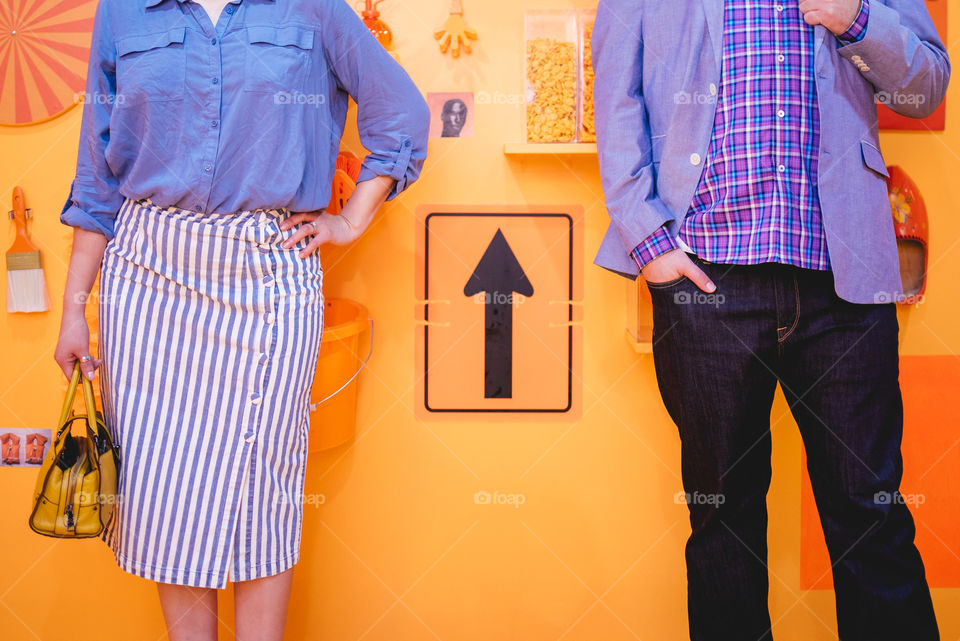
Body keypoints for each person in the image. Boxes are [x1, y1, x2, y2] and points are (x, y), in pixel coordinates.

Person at [53, 0, 429, 639]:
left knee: (264, 486)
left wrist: (350, 218)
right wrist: (73, 310)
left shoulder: (313, 9)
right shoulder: (122, 12)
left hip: (268, 276)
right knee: (163, 489)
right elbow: (98, 173)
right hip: (148, 278)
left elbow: (403, 116)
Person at [591, 1, 949, 640]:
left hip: (844, 283)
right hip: (706, 283)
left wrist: (855, 18)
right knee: (723, 524)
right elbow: (616, 99)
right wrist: (649, 240)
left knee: (872, 521)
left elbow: (923, 90)